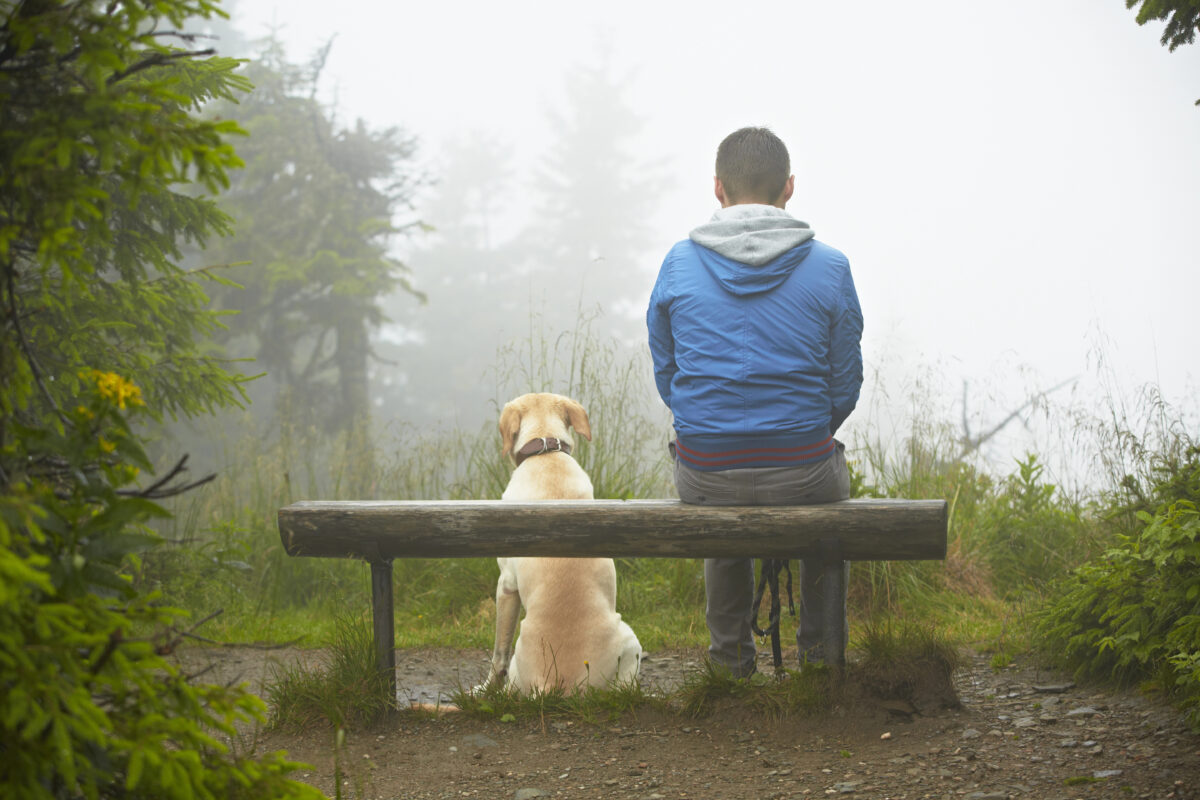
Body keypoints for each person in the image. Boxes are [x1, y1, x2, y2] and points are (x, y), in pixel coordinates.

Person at [646, 126, 863, 677]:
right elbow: (846, 382)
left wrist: (708, 423)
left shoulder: (677, 263)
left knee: (716, 492)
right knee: (824, 505)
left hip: (706, 471)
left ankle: (729, 664)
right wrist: (804, 431)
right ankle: (819, 662)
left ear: (717, 189)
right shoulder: (830, 267)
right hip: (804, 470)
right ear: (788, 188)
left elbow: (667, 368)